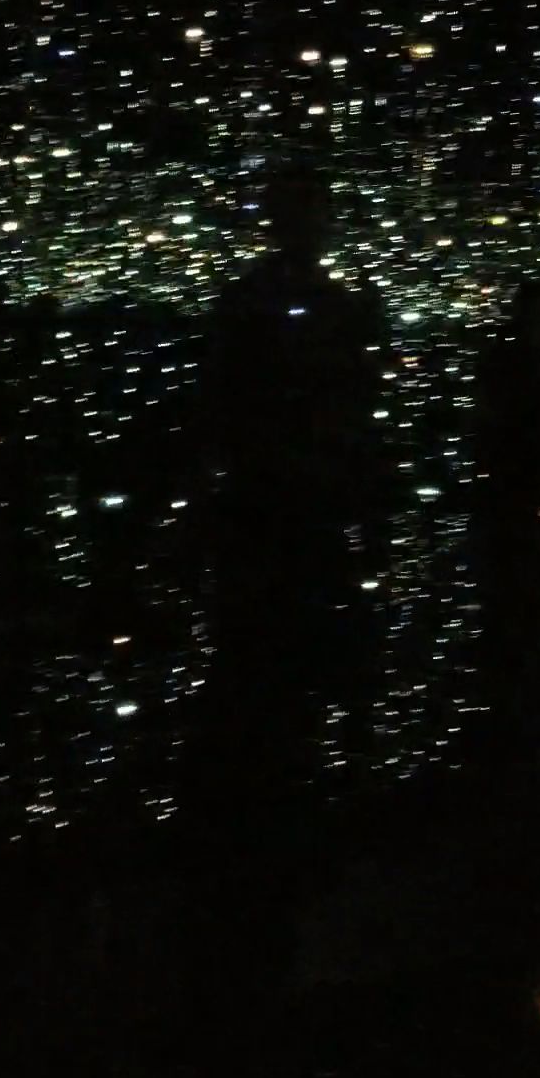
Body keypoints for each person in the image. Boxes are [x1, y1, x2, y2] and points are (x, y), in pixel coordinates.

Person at [185, 164, 390, 826]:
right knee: (284, 659)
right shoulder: (294, 307)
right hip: (286, 507)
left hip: (284, 507)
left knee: (275, 661)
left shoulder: (264, 303)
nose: (312, 226)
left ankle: (268, 803)